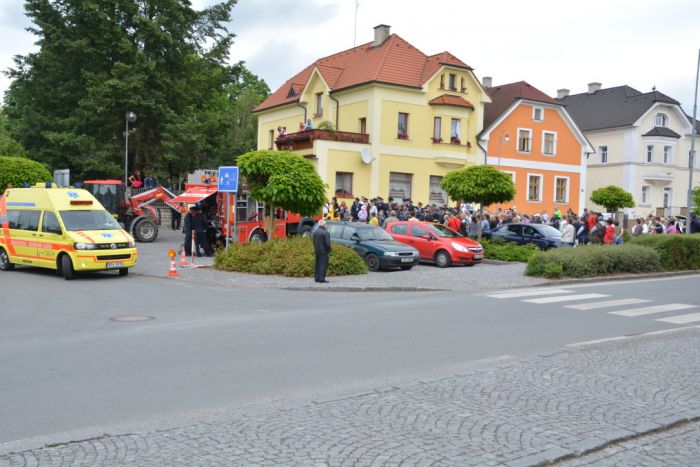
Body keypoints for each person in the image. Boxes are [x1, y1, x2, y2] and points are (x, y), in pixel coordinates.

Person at [312, 219, 331, 283]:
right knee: (323, 264)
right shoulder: (325, 232)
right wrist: (329, 250)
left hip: (317, 250)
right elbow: (328, 243)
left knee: (317, 264)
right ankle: (321, 279)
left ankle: (316, 278)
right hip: (324, 250)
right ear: (324, 225)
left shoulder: (315, 232)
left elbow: (313, 242)